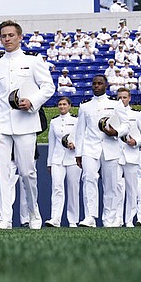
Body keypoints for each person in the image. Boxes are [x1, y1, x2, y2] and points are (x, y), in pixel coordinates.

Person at [0, 20, 55, 230]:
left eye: (11, 35)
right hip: (1, 124)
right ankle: (5, 217)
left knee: (27, 172)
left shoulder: (33, 61)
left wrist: (33, 101)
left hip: (26, 123)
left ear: (20, 37)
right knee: (2, 173)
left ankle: (34, 213)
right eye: (3, 36)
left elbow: (48, 87)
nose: (7, 39)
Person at [75, 75, 130, 227]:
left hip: (110, 147)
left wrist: (117, 132)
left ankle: (109, 218)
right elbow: (80, 132)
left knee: (111, 184)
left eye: (100, 83)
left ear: (106, 85)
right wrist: (78, 153)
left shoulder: (116, 104)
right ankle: (90, 217)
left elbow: (126, 125)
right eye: (94, 84)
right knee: (89, 178)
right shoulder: (85, 106)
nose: (96, 86)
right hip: (90, 148)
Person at [116, 88, 141, 227]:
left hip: (132, 153)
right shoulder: (113, 113)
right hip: (116, 155)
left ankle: (129, 219)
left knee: (132, 189)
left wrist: (136, 141)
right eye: (119, 97)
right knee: (116, 187)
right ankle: (117, 218)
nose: (122, 100)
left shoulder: (137, 114)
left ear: (129, 98)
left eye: (124, 97)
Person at [45, 97, 81, 228]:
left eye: (64, 104)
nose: (62, 107)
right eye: (60, 104)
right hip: (57, 159)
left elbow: (81, 137)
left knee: (73, 189)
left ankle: (73, 220)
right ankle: (55, 218)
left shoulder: (76, 120)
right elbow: (52, 143)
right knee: (57, 188)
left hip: (72, 158)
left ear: (69, 106)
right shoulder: (54, 121)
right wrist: (49, 163)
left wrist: (75, 145)